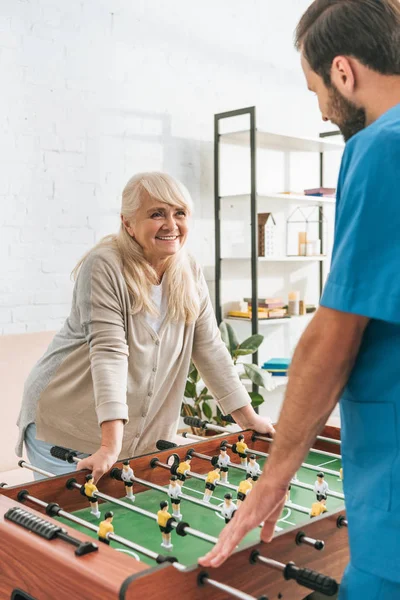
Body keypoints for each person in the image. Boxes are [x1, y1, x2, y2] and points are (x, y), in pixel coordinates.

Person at [199, 2, 400, 599]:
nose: (320, 107)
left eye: (316, 90)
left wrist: (274, 477)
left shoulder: (382, 146)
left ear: (343, 72)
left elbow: (333, 335)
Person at [16, 172, 275, 482]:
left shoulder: (188, 269)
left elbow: (208, 347)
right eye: (156, 214)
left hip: (129, 438)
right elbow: (109, 352)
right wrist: (110, 446)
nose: (171, 224)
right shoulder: (104, 265)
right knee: (75, 527)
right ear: (128, 223)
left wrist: (248, 419)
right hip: (65, 427)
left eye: (180, 213)